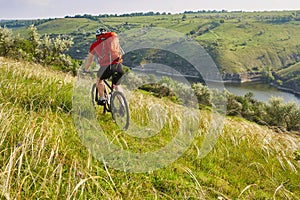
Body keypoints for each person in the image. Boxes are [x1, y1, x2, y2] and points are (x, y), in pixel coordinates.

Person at [84, 28, 124, 105]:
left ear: (97, 36)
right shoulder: (113, 41)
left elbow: (89, 60)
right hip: (118, 65)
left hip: (107, 67)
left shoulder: (95, 45)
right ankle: (123, 104)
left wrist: (86, 69)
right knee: (116, 85)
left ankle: (102, 98)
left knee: (99, 80)